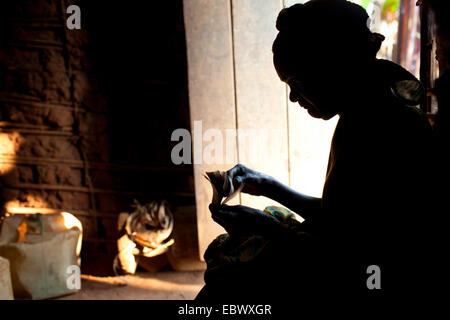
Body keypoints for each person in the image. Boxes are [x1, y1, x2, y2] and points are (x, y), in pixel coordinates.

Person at [196, 0, 434, 302]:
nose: (294, 97)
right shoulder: (368, 110)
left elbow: (349, 253)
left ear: (332, 65)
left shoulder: (381, 126)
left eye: (296, 81)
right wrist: (269, 186)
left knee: (224, 288)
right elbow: (345, 219)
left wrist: (267, 228)